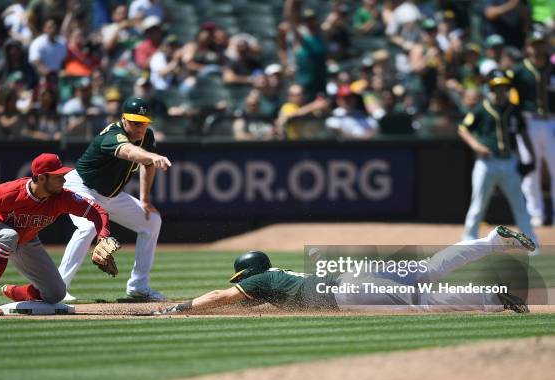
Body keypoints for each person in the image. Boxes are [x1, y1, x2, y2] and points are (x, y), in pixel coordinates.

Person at [149, 226, 535, 316]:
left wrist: (180, 307)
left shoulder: (259, 280)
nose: (241, 285)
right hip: (354, 274)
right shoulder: (279, 279)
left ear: (249, 273)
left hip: (348, 291)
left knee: (420, 301)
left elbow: (221, 297)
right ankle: (490, 241)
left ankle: (492, 297)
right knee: (430, 268)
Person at [0, 154, 112, 316]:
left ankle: (17, 292)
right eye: (58, 176)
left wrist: (102, 235)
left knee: (56, 294)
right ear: (41, 178)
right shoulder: (11, 192)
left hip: (26, 239)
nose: (63, 180)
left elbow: (97, 212)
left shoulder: (62, 197)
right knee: (9, 235)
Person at [58, 97, 172, 302]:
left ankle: (138, 285)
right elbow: (129, 152)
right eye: (136, 122)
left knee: (152, 221)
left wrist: (144, 199)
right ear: (124, 119)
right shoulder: (113, 135)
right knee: (87, 227)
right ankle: (57, 288)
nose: (140, 127)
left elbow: (147, 164)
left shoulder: (147, 136)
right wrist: (151, 156)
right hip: (81, 187)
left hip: (111, 195)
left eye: (144, 123)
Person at [458, 70, 538, 243]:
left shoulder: (514, 110)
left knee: (520, 205)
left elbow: (523, 134)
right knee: (478, 204)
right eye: (497, 87)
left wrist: (530, 156)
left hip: (509, 161)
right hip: (487, 162)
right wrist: (477, 146)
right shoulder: (482, 108)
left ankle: (531, 241)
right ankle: (468, 239)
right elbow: (463, 128)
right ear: (491, 88)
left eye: (503, 87)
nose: (500, 91)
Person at [512, 31, 554, 227]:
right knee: (531, 168)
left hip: (552, 121)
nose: (537, 48)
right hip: (529, 123)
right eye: (534, 44)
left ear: (547, 45)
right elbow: (512, 98)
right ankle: (535, 212)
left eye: (541, 44)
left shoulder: (553, 69)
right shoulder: (519, 71)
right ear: (528, 47)